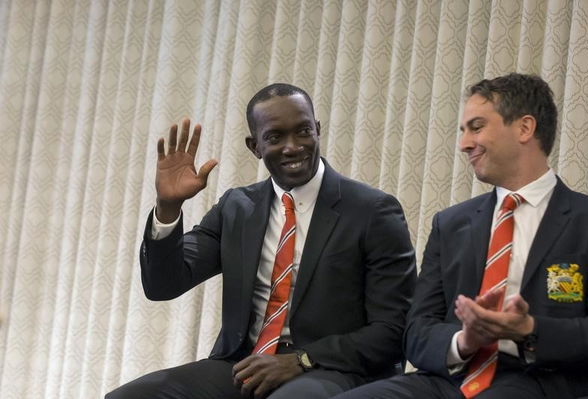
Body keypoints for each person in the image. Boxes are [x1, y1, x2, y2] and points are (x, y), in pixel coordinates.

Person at [106, 83, 417, 399]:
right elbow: (163, 285)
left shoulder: (372, 211)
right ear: (254, 146)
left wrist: (301, 360)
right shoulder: (237, 208)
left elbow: (393, 330)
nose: (292, 146)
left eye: (303, 131)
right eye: (275, 137)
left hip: (331, 370)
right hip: (243, 366)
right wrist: (168, 207)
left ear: (318, 131)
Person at [333, 73, 588, 399]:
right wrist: (465, 340)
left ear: (524, 128)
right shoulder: (450, 224)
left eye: (476, 127)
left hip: (541, 381)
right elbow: (416, 331)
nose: (464, 144)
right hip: (448, 379)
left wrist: (529, 330)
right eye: (463, 131)